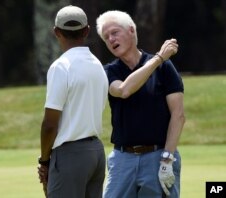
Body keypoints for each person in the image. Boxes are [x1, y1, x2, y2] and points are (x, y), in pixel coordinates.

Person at [96, 10, 185, 198]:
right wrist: (159, 58)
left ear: (131, 30)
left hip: (158, 156)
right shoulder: (109, 71)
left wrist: (168, 159)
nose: (111, 39)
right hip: (122, 159)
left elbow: (178, 115)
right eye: (106, 37)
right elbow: (124, 90)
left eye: (114, 32)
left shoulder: (165, 68)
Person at [37, 5, 108, 198]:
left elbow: (50, 124)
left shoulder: (61, 67)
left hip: (70, 156)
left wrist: (44, 161)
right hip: (96, 153)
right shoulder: (97, 66)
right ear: (86, 31)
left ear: (56, 32)